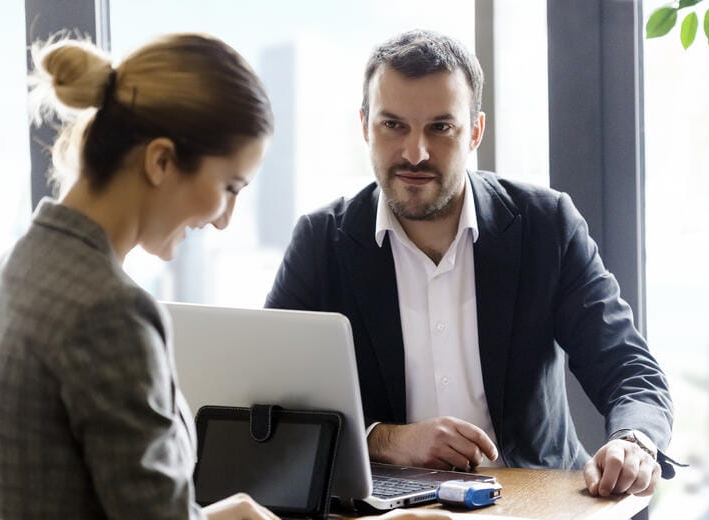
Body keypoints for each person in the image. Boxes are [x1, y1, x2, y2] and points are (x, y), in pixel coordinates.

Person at [266, 29, 679, 498]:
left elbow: (627, 367)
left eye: (440, 128)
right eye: (393, 125)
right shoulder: (322, 242)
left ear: (476, 131)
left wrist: (634, 441)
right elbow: (270, 407)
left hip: (536, 506)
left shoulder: (546, 225)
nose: (415, 153)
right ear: (365, 126)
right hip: (389, 510)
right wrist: (386, 440)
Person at [0, 33, 267, 520]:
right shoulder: (109, 311)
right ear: (161, 160)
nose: (224, 217)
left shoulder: (9, 271)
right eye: (229, 187)